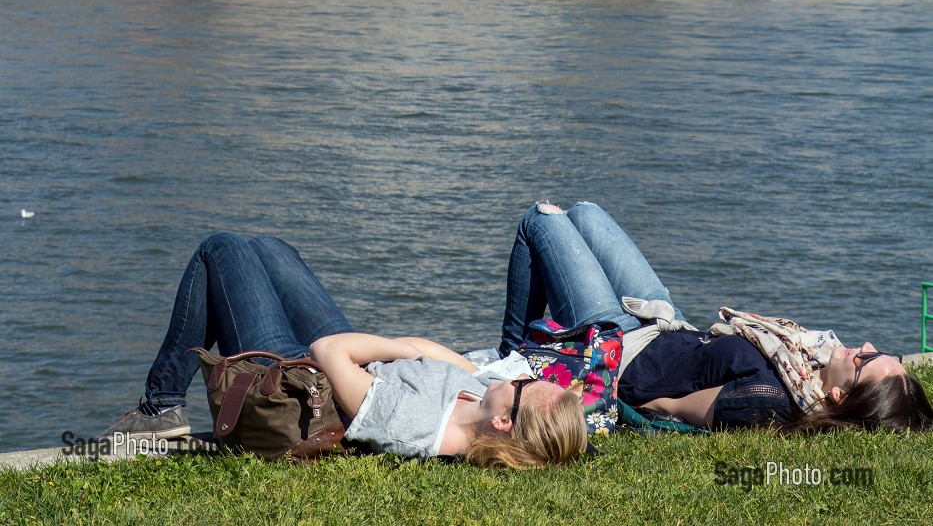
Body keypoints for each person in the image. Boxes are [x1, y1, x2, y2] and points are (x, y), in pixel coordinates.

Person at [102, 231, 587, 469]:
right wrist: (400, 351)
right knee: (273, 249)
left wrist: (390, 352)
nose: (519, 377)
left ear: (505, 422)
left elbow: (329, 350)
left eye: (525, 385)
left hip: (306, 376)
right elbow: (427, 350)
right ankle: (163, 403)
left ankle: (160, 406)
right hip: (367, 359)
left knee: (222, 250)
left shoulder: (415, 424)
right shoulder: (487, 398)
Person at [498, 202, 933, 433]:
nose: (866, 348)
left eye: (865, 361)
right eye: (879, 351)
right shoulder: (807, 366)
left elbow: (663, 407)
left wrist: (615, 397)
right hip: (669, 327)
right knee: (585, 212)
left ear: (840, 397)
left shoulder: (767, 401)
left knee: (542, 220)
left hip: (623, 349)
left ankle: (509, 357)